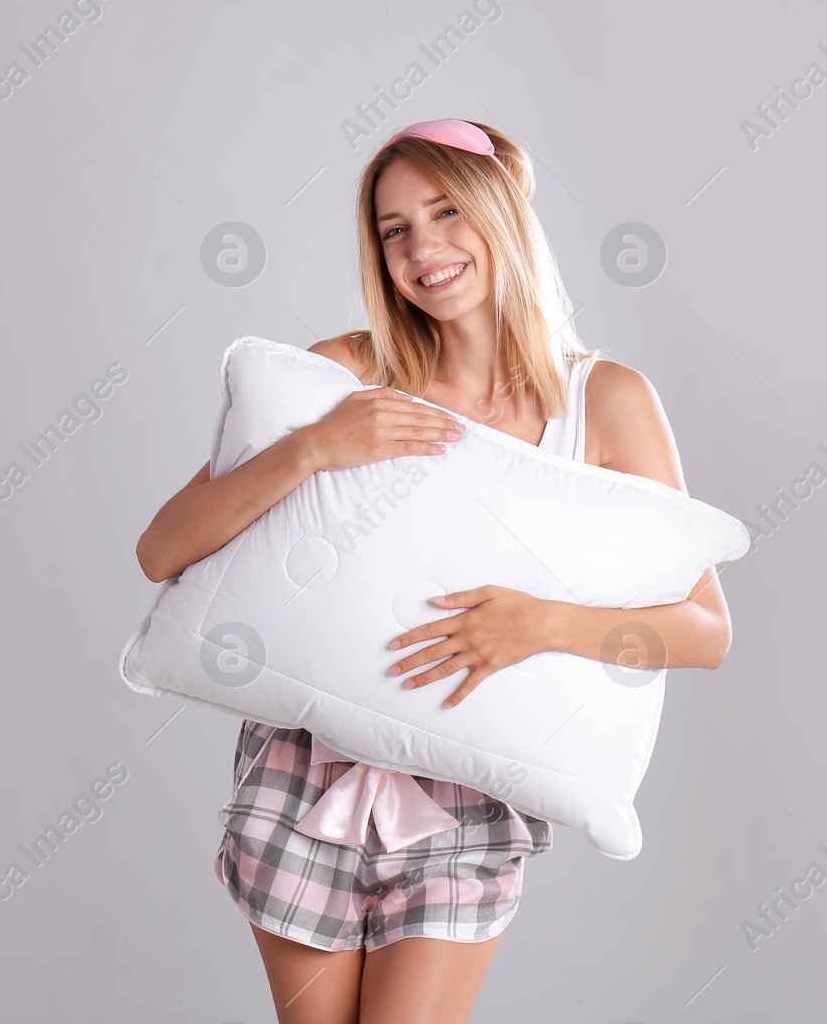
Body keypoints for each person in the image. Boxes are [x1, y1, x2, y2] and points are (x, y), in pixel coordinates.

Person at [135, 118, 733, 1024]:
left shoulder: (605, 401)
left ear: (503, 214)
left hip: (469, 795)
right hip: (302, 773)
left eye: (447, 211)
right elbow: (161, 551)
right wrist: (311, 448)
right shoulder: (340, 375)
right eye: (395, 229)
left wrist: (539, 624)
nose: (424, 247)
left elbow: (704, 630)